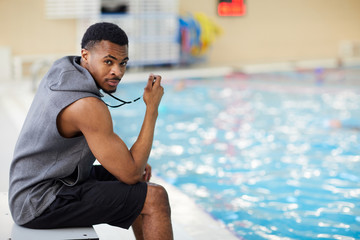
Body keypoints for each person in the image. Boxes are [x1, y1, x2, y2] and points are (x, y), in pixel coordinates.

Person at [9, 22, 173, 240]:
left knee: (139, 177)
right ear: (85, 55)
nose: (117, 71)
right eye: (108, 62)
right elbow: (131, 173)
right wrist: (152, 109)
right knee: (155, 198)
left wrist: (131, 163)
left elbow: (129, 168)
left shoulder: (64, 69)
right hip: (39, 201)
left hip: (37, 186)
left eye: (123, 63)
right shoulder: (87, 105)